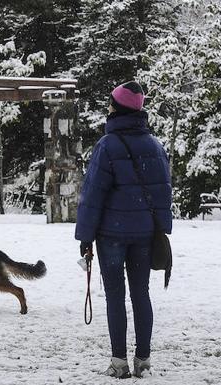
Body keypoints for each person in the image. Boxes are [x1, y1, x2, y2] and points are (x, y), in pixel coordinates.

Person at [75, 81, 172, 378]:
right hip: (144, 234)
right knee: (141, 294)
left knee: (116, 296)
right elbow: (163, 192)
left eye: (110, 104)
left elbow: (93, 195)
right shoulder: (155, 146)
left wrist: (85, 236)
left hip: (112, 235)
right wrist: (161, 229)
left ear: (117, 108)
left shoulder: (107, 146)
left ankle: (119, 364)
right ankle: (143, 360)